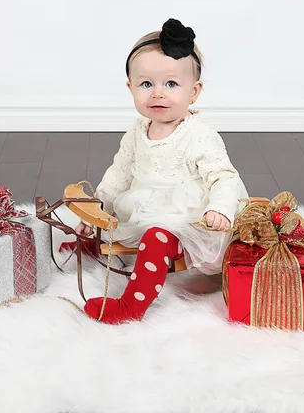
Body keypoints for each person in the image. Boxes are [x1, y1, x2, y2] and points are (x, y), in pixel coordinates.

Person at [75, 18, 248, 323]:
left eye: (171, 84)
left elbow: (223, 176)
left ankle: (131, 305)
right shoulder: (138, 130)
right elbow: (120, 173)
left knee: (157, 236)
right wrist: (98, 209)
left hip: (189, 215)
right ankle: (97, 241)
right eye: (146, 84)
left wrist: (220, 209)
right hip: (146, 202)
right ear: (131, 88)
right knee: (117, 220)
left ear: (194, 92)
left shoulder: (198, 134)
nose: (157, 93)